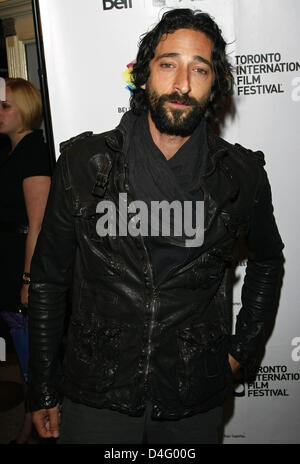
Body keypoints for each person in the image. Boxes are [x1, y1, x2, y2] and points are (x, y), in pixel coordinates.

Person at [28, 9, 284, 444]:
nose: (182, 84)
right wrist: (43, 386)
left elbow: (267, 261)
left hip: (191, 394)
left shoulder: (241, 175)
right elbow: (49, 281)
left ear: (214, 84)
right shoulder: (85, 165)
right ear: (143, 77)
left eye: (199, 69)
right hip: (97, 392)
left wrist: (242, 350)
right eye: (168, 64)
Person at [0, 77, 51, 443]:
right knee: (23, 355)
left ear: (27, 110)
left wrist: (28, 280)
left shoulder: (33, 148)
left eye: (5, 106)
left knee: (32, 356)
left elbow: (37, 224)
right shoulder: (10, 149)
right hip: (7, 261)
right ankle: (25, 429)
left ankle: (38, 430)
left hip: (22, 263)